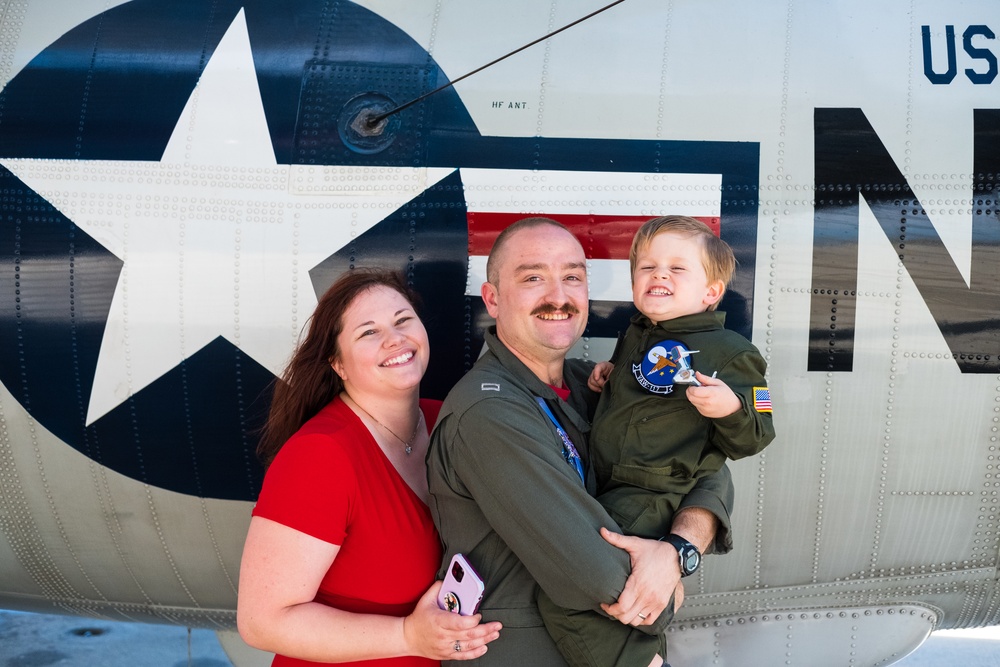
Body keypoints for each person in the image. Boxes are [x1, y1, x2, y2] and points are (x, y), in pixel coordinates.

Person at [426, 218, 735, 666]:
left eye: (572, 277)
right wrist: (663, 592)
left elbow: (706, 465)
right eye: (533, 278)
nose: (558, 297)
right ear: (493, 299)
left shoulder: (597, 383)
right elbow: (594, 571)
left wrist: (676, 552)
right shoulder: (488, 413)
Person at [537, 215, 776, 666]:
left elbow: (760, 431)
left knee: (571, 595)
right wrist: (607, 377)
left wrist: (731, 409)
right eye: (646, 267)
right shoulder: (638, 334)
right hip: (605, 484)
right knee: (613, 588)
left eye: (676, 268)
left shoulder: (735, 354)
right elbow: (637, 389)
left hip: (652, 492)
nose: (658, 275)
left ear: (711, 292)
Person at [237, 269, 502, 666]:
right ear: (338, 365)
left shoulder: (447, 422)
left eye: (402, 320)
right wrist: (407, 636)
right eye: (368, 332)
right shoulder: (321, 456)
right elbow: (262, 622)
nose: (394, 339)